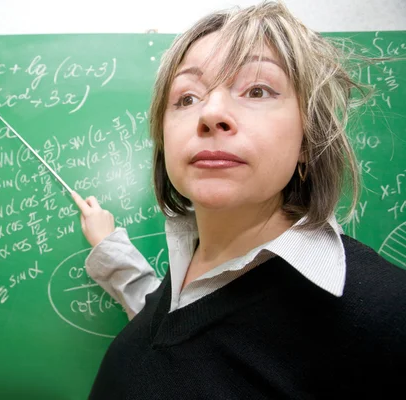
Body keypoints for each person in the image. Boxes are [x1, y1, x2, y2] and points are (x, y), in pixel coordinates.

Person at [71, 1, 406, 398]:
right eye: (187, 97)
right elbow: (181, 335)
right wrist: (110, 251)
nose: (211, 113)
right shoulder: (188, 263)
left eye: (258, 90)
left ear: (308, 135)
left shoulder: (387, 316)